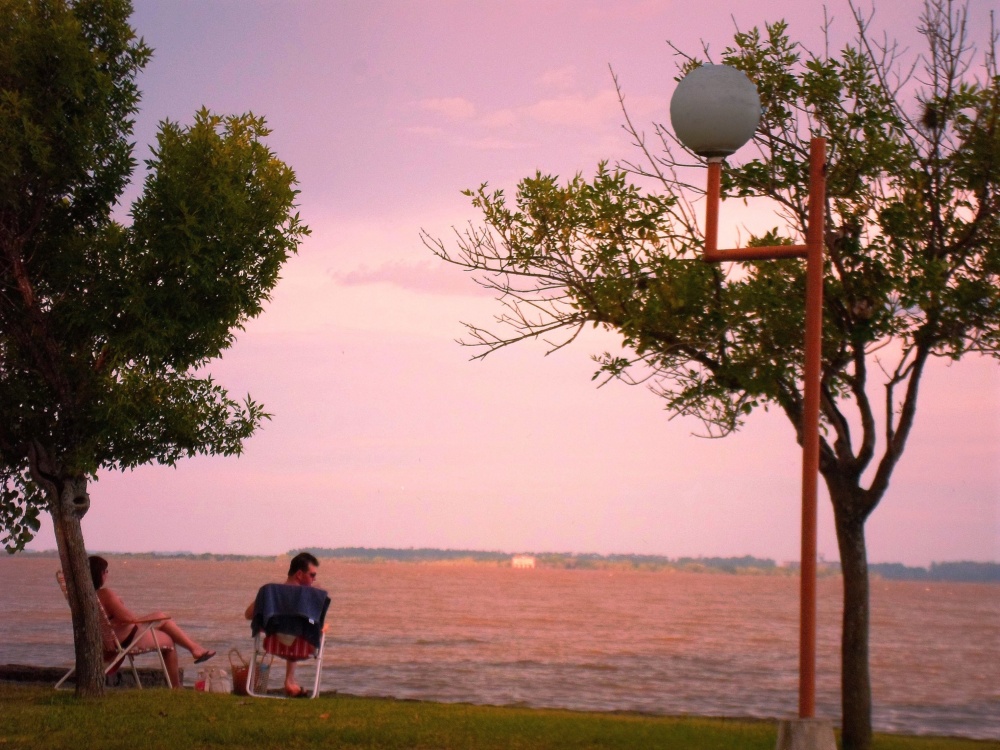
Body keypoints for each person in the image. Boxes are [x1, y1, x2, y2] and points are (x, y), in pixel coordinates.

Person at [89, 555, 216, 689]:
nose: (107, 574)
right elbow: (128, 618)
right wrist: (120, 603)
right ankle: (177, 686)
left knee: (162, 617)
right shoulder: (105, 594)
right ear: (100, 573)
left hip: (114, 638)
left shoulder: (90, 596)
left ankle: (194, 649)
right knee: (168, 641)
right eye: (106, 571)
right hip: (125, 639)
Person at [244, 551, 324, 697]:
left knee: (290, 629)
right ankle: (289, 681)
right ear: (299, 574)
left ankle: (289, 681)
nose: (314, 579)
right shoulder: (310, 597)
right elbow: (314, 623)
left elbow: (248, 615)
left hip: (272, 644)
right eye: (312, 575)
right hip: (303, 647)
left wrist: (267, 603)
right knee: (303, 629)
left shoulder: (270, 592)